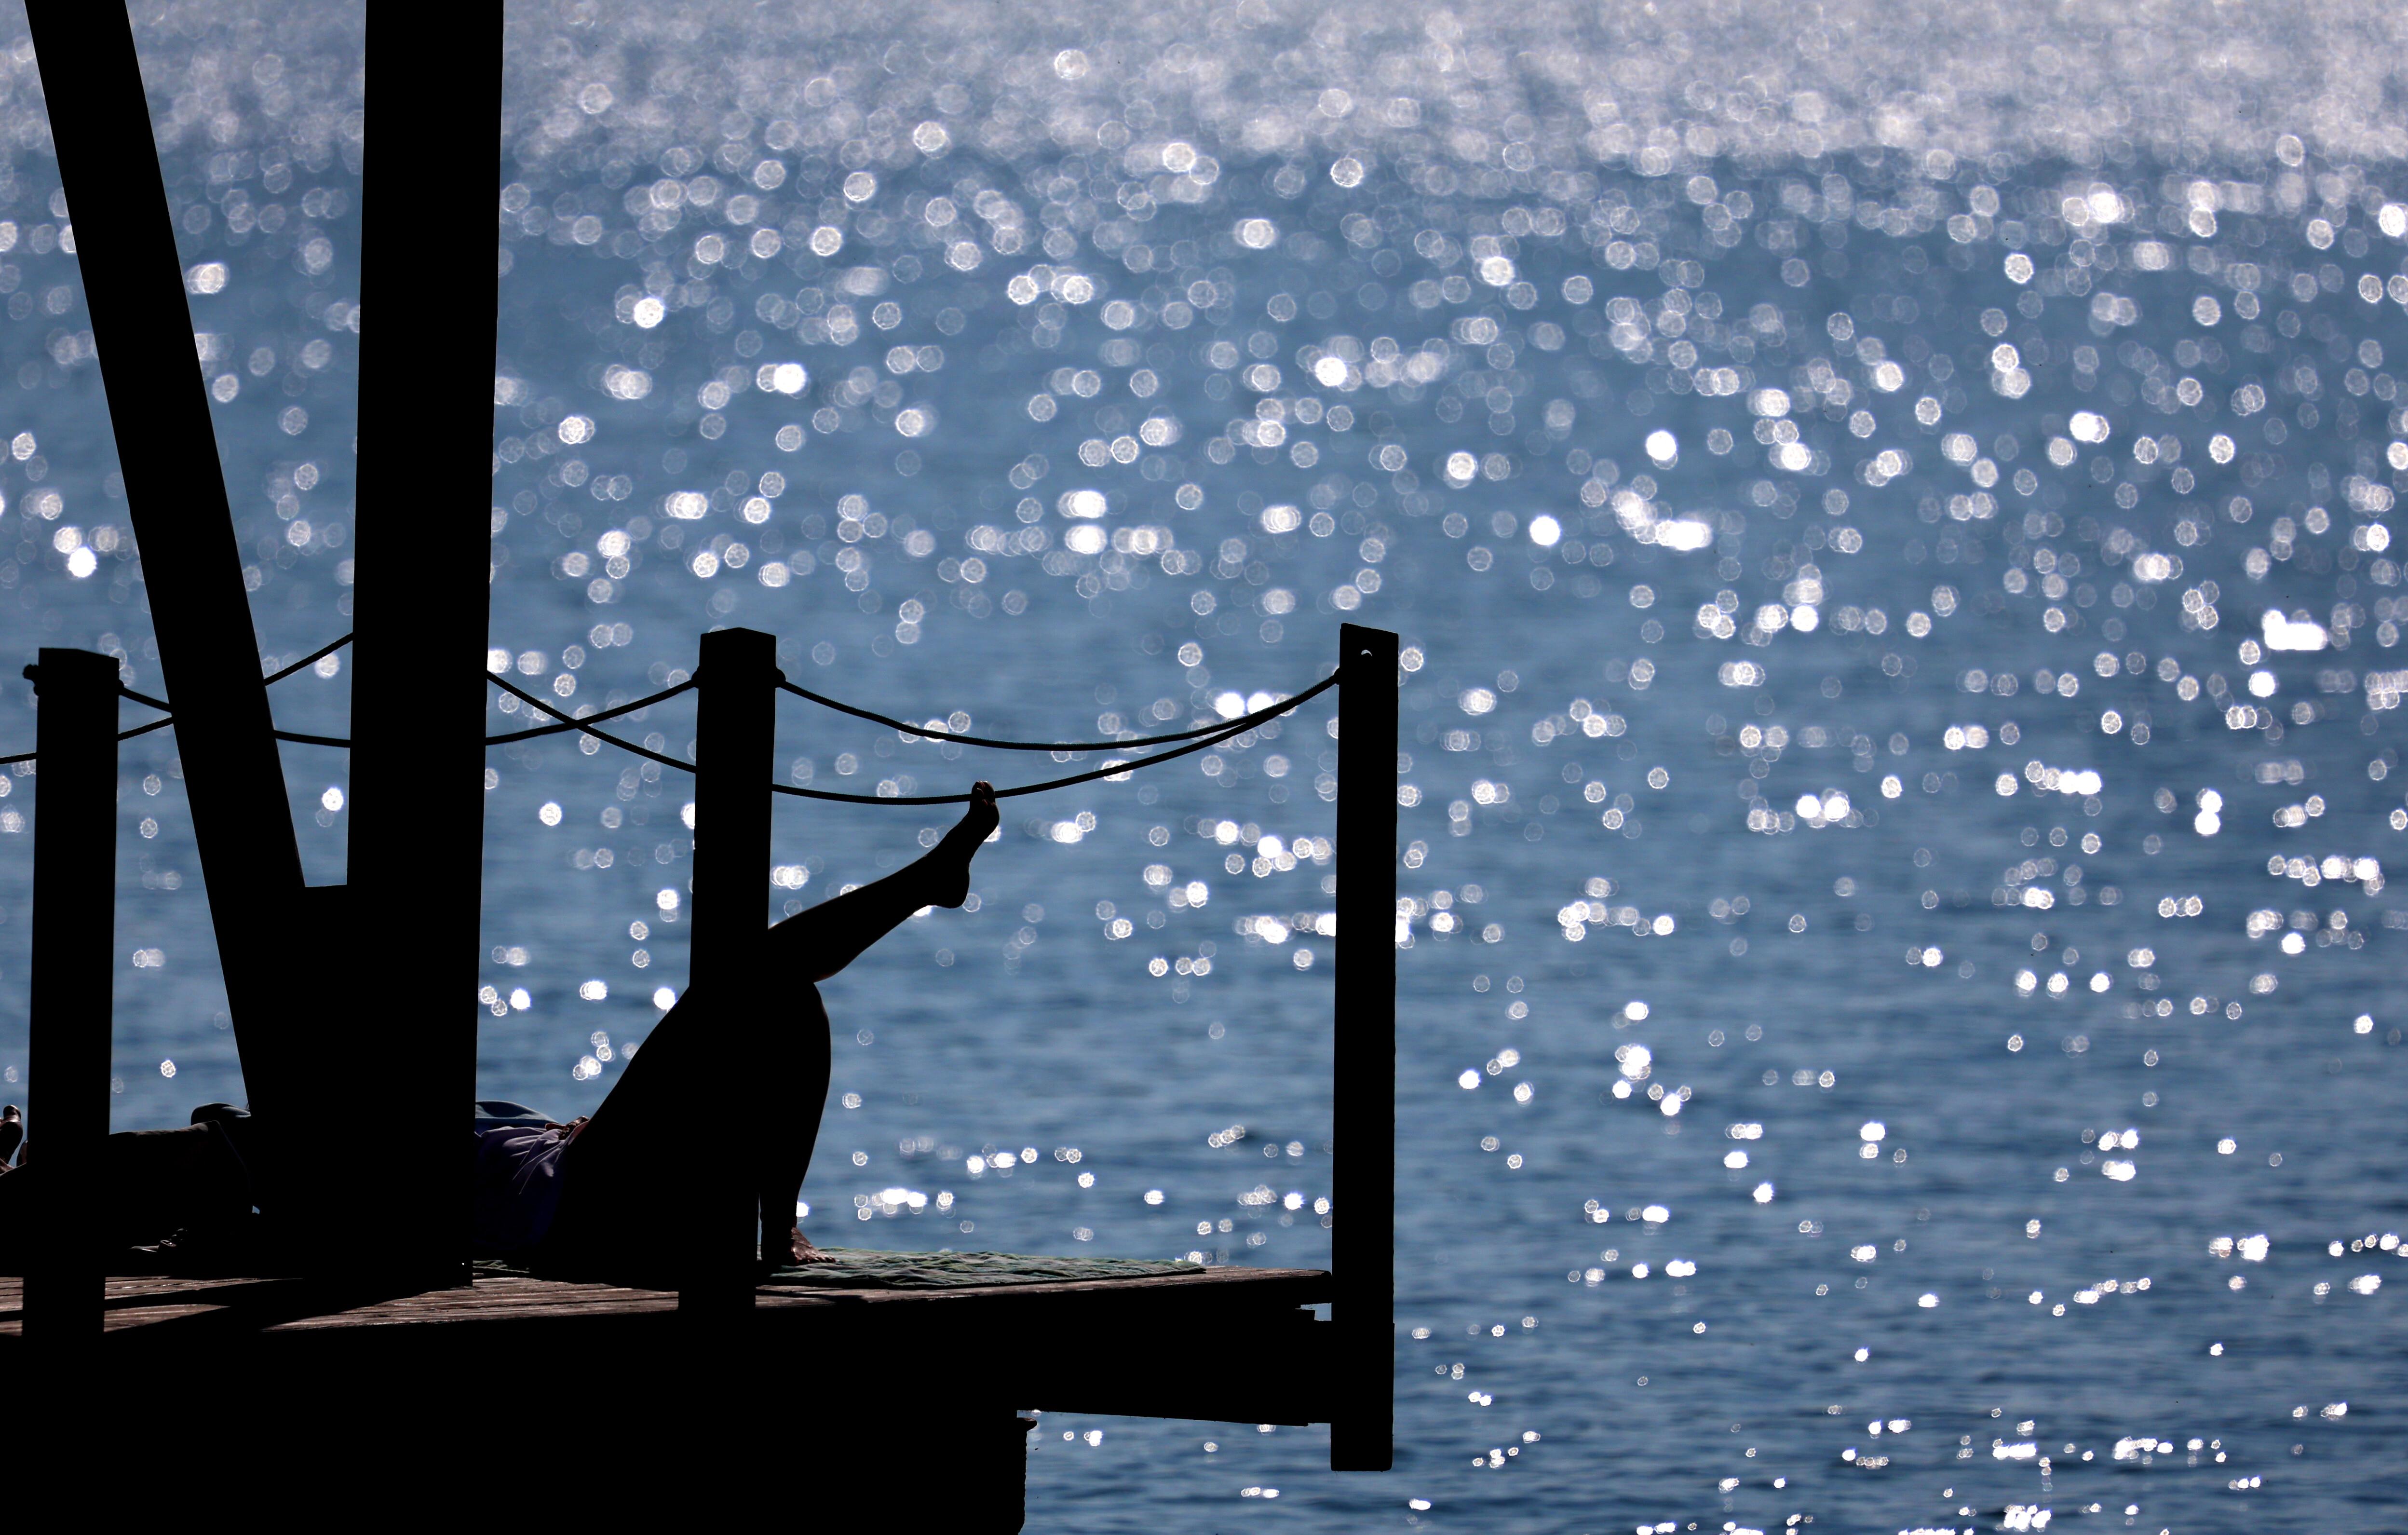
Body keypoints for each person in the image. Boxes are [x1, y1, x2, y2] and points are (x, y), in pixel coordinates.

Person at [472, 780, 1001, 1270]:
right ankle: (926, 881)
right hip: (560, 1206)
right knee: (752, 977)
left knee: (792, 998)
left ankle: (780, 1225)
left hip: (575, 1173)